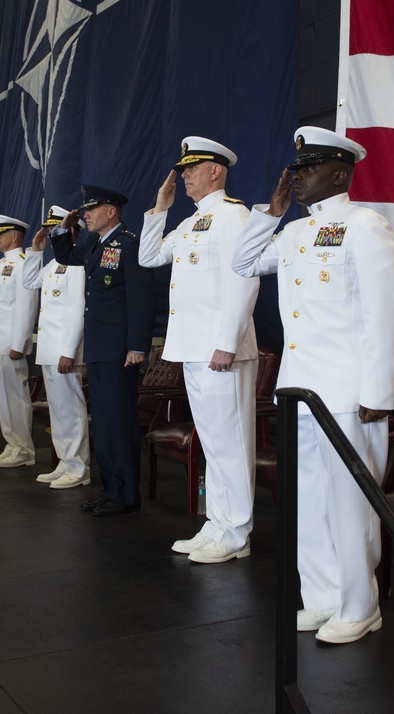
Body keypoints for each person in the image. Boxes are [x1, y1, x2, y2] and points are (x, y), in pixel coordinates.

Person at [231, 126, 394, 644]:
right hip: (298, 391)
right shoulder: (293, 232)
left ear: (340, 172)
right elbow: (242, 263)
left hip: (348, 396)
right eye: (297, 168)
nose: (299, 175)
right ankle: (323, 597)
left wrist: (378, 392)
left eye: (309, 169)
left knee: (351, 502)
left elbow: (388, 314)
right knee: (305, 500)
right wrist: (270, 211)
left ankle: (360, 605)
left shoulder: (365, 226)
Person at [139, 137, 260, 562]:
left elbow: (244, 280)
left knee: (231, 442)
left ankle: (237, 532)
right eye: (183, 168)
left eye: (193, 167)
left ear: (216, 170)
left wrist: (226, 343)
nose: (184, 173)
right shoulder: (190, 223)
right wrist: (161, 208)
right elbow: (149, 256)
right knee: (212, 442)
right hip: (193, 348)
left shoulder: (233, 217)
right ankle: (218, 524)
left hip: (219, 351)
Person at [50, 186, 155, 516]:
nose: (85, 215)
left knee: (119, 421)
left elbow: (142, 298)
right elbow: (65, 257)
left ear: (111, 211)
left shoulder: (128, 244)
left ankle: (126, 494)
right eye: (83, 210)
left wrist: (137, 345)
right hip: (99, 346)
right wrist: (60, 229)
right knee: (105, 423)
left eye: (91, 210)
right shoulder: (95, 243)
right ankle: (110, 489)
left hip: (120, 350)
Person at [21, 205, 90, 489]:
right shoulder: (51, 264)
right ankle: (65, 462)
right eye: (50, 231)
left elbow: (77, 310)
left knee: (71, 411)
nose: (50, 235)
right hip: (49, 349)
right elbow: (27, 282)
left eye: (55, 229)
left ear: (72, 231)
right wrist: (35, 251)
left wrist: (69, 351)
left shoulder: (77, 266)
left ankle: (78, 468)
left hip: (64, 350)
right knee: (58, 411)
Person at [0, 215, 39, 469]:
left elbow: (26, 307)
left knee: (17, 396)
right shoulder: (3, 264)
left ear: (14, 237)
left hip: (11, 343)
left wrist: (20, 343)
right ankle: (12, 444)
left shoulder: (23, 264)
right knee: (4, 397)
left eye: (0, 235)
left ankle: (24, 449)